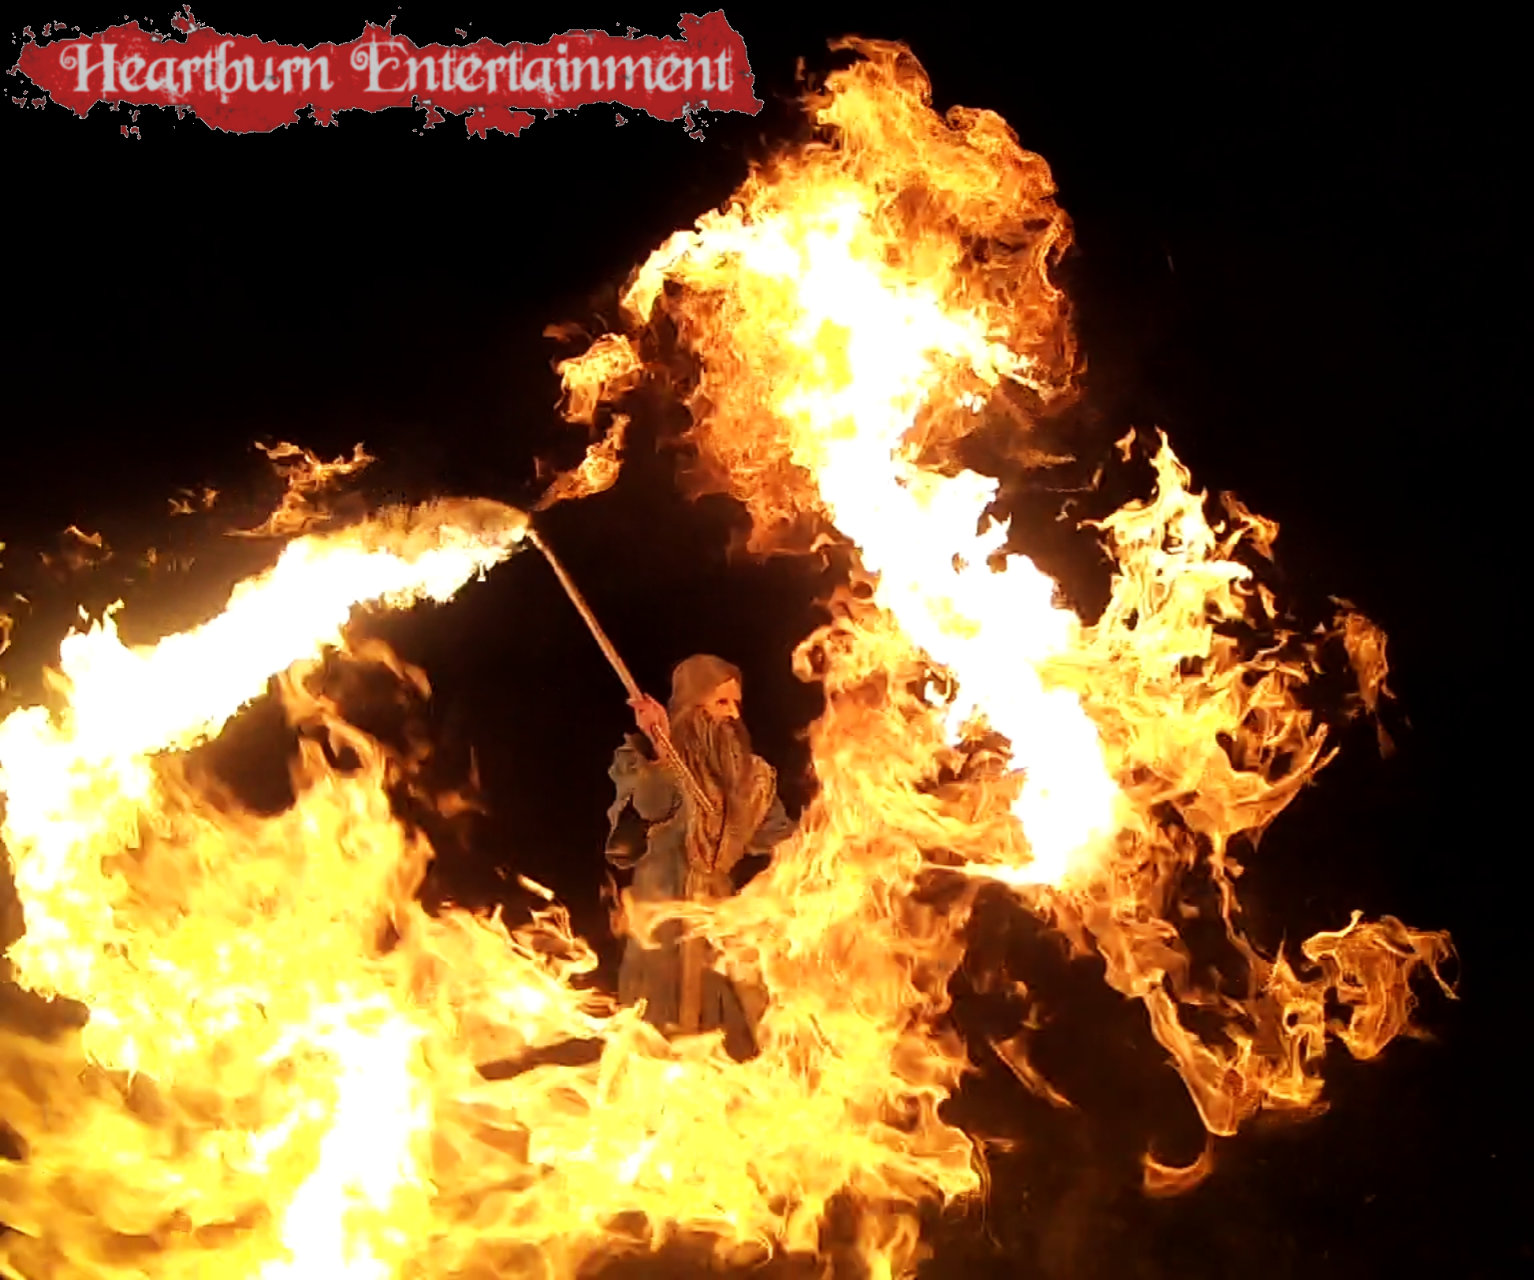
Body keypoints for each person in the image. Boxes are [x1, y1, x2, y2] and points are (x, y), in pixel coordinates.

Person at [604, 654, 792, 1058]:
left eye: (737, 703)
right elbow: (650, 806)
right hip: (662, 914)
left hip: (719, 917)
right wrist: (659, 749)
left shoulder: (753, 776)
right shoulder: (648, 757)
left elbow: (781, 838)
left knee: (730, 1031)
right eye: (721, 702)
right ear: (692, 705)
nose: (733, 714)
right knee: (658, 1033)